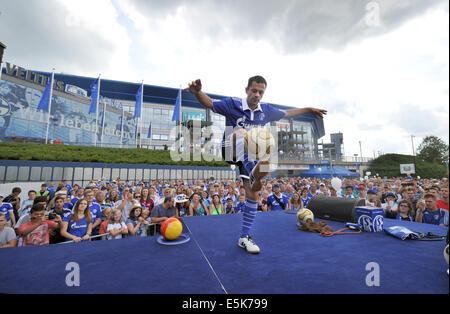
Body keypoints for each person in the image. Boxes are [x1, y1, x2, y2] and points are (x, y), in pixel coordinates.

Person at [186, 76, 326, 254]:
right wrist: (198, 92)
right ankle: (255, 170)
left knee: (253, 194)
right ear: (247, 90)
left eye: (261, 92)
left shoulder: (266, 110)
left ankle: (244, 237)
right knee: (243, 133)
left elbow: (288, 113)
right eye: (254, 91)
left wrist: (307, 109)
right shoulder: (233, 104)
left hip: (249, 155)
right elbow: (210, 103)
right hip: (231, 148)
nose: (257, 95)